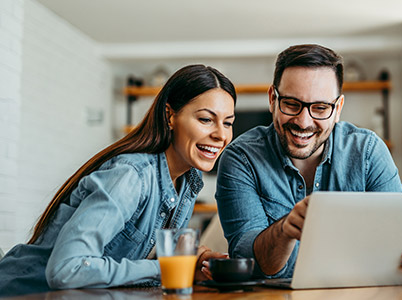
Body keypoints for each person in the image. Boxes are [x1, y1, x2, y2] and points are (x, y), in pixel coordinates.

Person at [215, 44, 402, 284]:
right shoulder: (240, 158)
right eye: (292, 104)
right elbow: (249, 264)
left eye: (320, 108)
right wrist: (284, 231)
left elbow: (399, 244)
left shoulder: (367, 151)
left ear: (338, 109)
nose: (304, 122)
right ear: (273, 98)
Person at [0, 64, 234, 297]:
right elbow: (66, 269)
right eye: (205, 119)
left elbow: (150, 255)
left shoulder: (188, 183)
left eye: (228, 123)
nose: (221, 135)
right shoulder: (130, 176)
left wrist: (195, 259)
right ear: (169, 116)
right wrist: (170, 268)